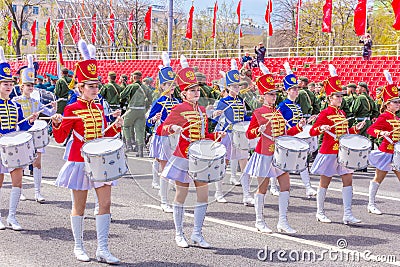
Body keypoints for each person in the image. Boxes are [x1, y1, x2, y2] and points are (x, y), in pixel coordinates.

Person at [51, 40, 123, 264]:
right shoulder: (72, 108)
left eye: (96, 85)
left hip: (100, 162)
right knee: (79, 206)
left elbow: (102, 136)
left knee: (106, 203)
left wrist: (116, 127)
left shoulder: (99, 107)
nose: (95, 89)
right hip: (79, 161)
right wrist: (56, 122)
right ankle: (78, 246)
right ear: (80, 87)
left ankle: (103, 248)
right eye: (90, 86)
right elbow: (62, 138)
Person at [160, 59, 225, 248]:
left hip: (200, 157)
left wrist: (216, 135)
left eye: (197, 90)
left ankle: (197, 233)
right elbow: (164, 129)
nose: (196, 93)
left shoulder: (203, 110)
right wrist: (173, 127)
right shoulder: (179, 108)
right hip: (183, 156)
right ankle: (179, 234)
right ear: (184, 93)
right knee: (181, 194)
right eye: (192, 90)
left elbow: (204, 135)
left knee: (203, 196)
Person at [243, 70, 306, 234]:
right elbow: (249, 134)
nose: (273, 97)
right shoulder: (258, 113)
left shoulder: (278, 112)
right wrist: (258, 130)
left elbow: (284, 134)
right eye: (270, 94)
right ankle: (259, 221)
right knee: (262, 188)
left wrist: (299, 127)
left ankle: (283, 221)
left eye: (275, 94)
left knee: (286, 186)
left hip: (279, 155)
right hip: (264, 154)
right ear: (263, 96)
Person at [309, 65, 365, 224]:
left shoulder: (342, 113)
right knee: (325, 181)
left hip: (342, 152)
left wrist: (355, 129)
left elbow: (345, 133)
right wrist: (321, 127)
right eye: (337, 96)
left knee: (348, 179)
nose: (340, 98)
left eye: (341, 96)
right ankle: (320, 212)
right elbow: (313, 131)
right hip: (328, 151)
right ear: (329, 98)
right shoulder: (325, 113)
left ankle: (347, 214)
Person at [0, 46, 38, 231]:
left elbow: (22, 126)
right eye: (4, 83)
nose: (8, 86)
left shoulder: (15, 105)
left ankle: (12, 216)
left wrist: (30, 122)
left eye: (10, 84)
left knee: (18, 181)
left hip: (12, 147)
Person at [12, 54, 56, 203]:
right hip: (22, 134)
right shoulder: (15, 101)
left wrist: (54, 109)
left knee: (37, 162)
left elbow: (48, 113)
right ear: (21, 86)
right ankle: (22, 191)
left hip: (35, 136)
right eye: (28, 85)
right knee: (22, 164)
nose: (31, 88)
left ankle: (37, 192)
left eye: (32, 85)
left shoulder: (36, 101)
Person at [213, 60, 253, 205]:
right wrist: (214, 115)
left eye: (238, 86)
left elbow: (243, 117)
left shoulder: (241, 101)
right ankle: (218, 192)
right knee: (224, 163)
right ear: (228, 87)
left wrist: (254, 117)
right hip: (227, 135)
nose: (236, 88)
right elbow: (213, 119)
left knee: (244, 163)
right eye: (234, 86)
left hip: (239, 135)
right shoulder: (222, 101)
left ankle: (247, 194)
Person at [146, 52, 180, 212]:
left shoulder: (179, 102)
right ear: (162, 86)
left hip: (176, 137)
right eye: (167, 84)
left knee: (175, 166)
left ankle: (171, 196)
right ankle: (164, 201)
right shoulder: (159, 101)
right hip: (163, 136)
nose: (171, 87)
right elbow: (149, 120)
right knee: (164, 167)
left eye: (173, 84)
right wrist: (154, 118)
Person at [277, 68, 317, 197]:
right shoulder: (282, 105)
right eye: (293, 89)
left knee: (302, 161)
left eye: (297, 89)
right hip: (288, 136)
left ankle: (308, 187)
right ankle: (273, 186)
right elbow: (278, 120)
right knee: (280, 163)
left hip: (298, 135)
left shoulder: (298, 106)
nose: (296, 91)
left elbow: (298, 121)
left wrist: (306, 122)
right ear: (288, 91)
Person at [366, 71, 400, 215]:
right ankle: (371, 204)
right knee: (378, 178)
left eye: (399, 102)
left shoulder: (397, 118)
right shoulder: (384, 116)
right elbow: (371, 130)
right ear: (387, 104)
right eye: (395, 102)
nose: (398, 104)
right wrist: (381, 133)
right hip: (386, 151)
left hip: (397, 152)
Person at [120, 70, 153, 156]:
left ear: (134, 77)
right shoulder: (146, 88)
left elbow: (122, 95)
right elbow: (150, 100)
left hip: (132, 109)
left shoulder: (131, 86)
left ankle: (129, 144)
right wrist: (145, 108)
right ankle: (140, 151)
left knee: (126, 126)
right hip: (142, 110)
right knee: (140, 130)